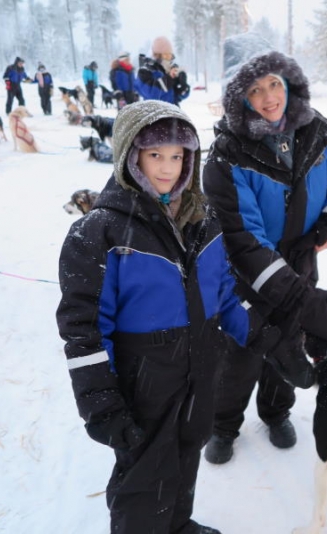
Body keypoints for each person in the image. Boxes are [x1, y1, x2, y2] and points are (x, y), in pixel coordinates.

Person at [57, 100, 276, 534]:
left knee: (186, 455)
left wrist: (268, 339)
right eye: (155, 154)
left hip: (200, 370)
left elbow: (224, 296)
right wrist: (102, 404)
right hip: (143, 386)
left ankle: (177, 525)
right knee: (144, 479)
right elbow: (83, 332)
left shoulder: (204, 218)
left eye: (178, 156)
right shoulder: (99, 232)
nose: (167, 168)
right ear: (129, 154)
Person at [202, 50, 327, 465]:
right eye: (255, 90)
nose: (269, 97)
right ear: (240, 99)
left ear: (288, 81)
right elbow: (242, 239)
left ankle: (276, 413)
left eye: (274, 83)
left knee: (291, 342)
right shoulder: (227, 155)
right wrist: (299, 297)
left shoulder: (319, 130)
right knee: (239, 353)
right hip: (246, 273)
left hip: (301, 260)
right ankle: (223, 425)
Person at [136, 36, 190, 105]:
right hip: (156, 114)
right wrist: (169, 78)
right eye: (166, 55)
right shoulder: (145, 71)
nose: (169, 59)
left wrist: (183, 86)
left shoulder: (167, 71)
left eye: (170, 55)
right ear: (157, 55)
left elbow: (176, 97)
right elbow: (151, 95)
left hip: (172, 113)